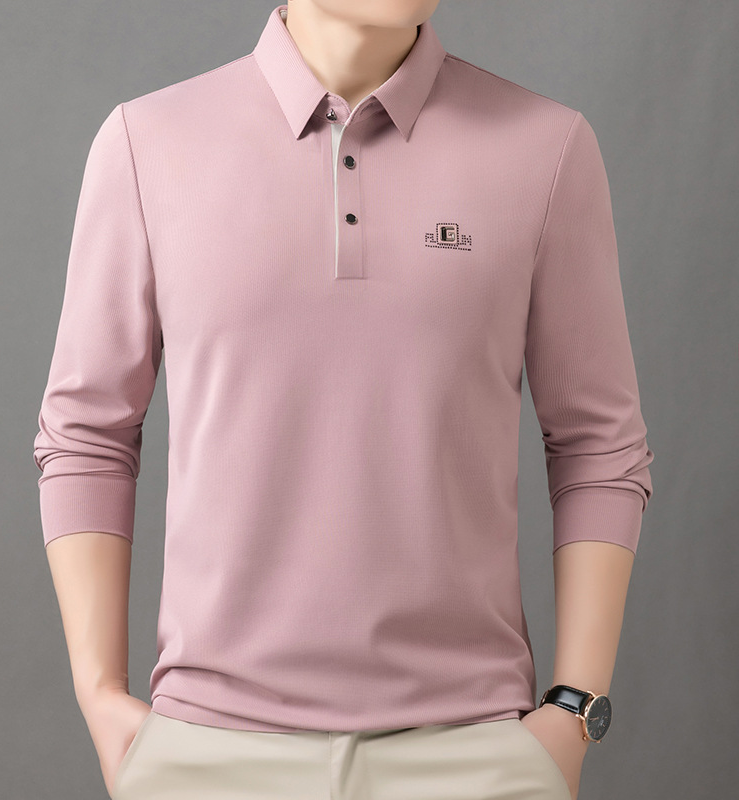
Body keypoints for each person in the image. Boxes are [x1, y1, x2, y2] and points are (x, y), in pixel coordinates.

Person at [32, 2, 654, 799]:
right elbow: (87, 433)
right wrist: (99, 695)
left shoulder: (547, 147)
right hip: (208, 753)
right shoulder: (147, 143)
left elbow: (598, 444)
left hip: (474, 755)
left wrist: (572, 710)